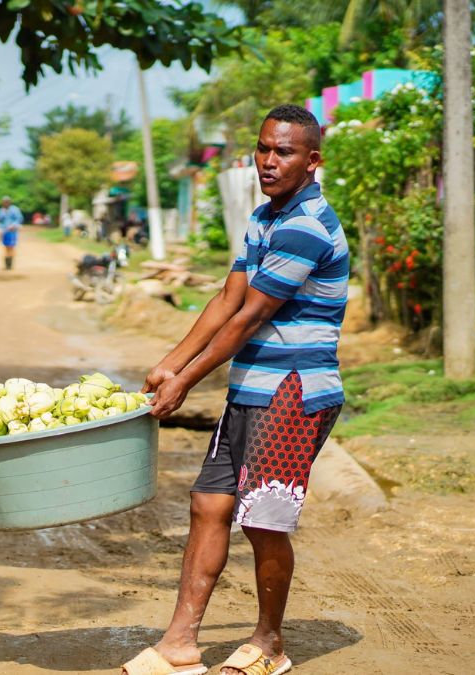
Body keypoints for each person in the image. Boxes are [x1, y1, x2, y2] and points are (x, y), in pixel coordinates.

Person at [125, 104, 347, 675]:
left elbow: (250, 316)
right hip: (251, 386)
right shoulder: (265, 216)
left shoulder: (305, 225)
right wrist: (170, 363)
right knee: (208, 504)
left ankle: (270, 644)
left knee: (263, 520)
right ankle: (179, 644)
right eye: (263, 148)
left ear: (312, 160)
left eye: (284, 152)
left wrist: (186, 381)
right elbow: (227, 298)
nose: (269, 161)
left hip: (294, 392)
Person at [0, 196, 23, 270]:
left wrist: (13, 225)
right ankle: (6, 263)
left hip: (12, 231)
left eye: (7, 202)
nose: (5, 203)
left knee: (11, 247)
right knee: (6, 247)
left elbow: (19, 219)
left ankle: (9, 264)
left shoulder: (15, 209)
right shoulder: (1, 210)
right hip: (4, 231)